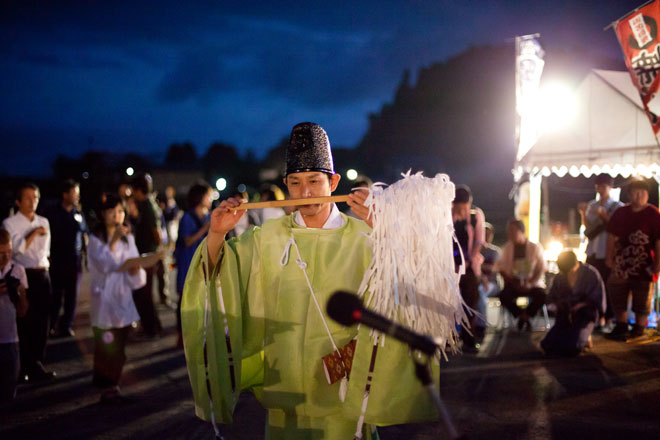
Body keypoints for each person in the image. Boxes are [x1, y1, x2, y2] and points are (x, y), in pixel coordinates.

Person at [182, 122, 438, 439]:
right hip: (284, 394)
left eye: (315, 181)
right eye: (296, 182)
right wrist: (217, 233)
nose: (305, 193)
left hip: (343, 394)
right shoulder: (266, 239)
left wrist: (385, 233)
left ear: (333, 181)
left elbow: (408, 292)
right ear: (286, 184)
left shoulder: (363, 239)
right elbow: (219, 275)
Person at [87, 194, 160, 403]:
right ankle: (105, 384)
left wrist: (136, 268)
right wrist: (114, 240)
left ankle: (112, 385)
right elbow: (103, 265)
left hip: (122, 297)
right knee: (105, 344)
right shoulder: (95, 239)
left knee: (118, 345)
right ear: (103, 214)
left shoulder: (129, 239)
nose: (117, 215)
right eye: (112, 211)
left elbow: (135, 275)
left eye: (120, 211)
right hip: (103, 298)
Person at [2, 182, 56, 382]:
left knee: (43, 321)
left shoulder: (43, 221)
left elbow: (45, 251)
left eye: (35, 198)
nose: (32, 201)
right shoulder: (10, 224)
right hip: (23, 275)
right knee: (25, 321)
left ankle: (37, 363)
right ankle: (22, 366)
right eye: (27, 198)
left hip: (42, 273)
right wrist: (33, 234)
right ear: (18, 201)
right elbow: (17, 251)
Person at [605, 178, 660, 340]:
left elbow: (658, 241)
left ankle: (639, 327)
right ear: (629, 194)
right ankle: (621, 325)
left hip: (644, 263)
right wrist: (609, 257)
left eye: (643, 192)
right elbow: (611, 237)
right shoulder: (621, 212)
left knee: (642, 295)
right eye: (636, 192)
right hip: (621, 262)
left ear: (648, 194)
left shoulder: (654, 214)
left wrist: (658, 263)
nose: (639, 195)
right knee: (616, 290)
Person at [540, 250, 606, 356]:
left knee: (573, 346)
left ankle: (584, 338)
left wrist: (581, 305)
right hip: (565, 315)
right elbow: (552, 298)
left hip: (584, 315)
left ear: (576, 264)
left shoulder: (591, 274)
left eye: (570, 271)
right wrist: (559, 306)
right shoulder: (560, 277)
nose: (568, 274)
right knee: (548, 345)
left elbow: (597, 299)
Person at [578, 174, 622, 328]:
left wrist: (605, 216)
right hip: (592, 251)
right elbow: (587, 227)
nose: (600, 190)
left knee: (608, 285)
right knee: (592, 285)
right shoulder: (592, 205)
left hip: (607, 252)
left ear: (610, 187)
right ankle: (595, 317)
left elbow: (617, 228)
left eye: (603, 187)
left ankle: (609, 318)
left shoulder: (617, 206)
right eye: (598, 187)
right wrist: (583, 213)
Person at [45, 179, 87, 338]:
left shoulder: (78, 213)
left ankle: (67, 325)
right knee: (56, 294)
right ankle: (51, 324)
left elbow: (84, 235)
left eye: (78, 193)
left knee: (72, 295)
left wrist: (86, 254)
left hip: (75, 259)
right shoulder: (53, 213)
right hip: (58, 258)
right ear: (65, 194)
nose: (77, 196)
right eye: (74, 193)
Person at [174, 182, 212, 347]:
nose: (211, 199)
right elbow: (188, 240)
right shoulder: (187, 218)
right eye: (208, 195)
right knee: (185, 301)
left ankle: (200, 334)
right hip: (188, 263)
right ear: (200, 197)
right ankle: (182, 335)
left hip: (203, 265)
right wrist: (205, 228)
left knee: (202, 300)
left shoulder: (208, 216)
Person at [452, 184, 486, 351]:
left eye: (466, 206)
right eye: (460, 207)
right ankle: (448, 337)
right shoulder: (446, 215)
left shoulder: (476, 216)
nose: (464, 210)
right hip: (449, 268)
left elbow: (479, 241)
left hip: (469, 266)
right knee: (448, 302)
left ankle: (468, 337)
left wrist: (469, 261)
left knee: (470, 302)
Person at [497, 219, 547, 331]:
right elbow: (502, 269)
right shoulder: (507, 248)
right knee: (504, 296)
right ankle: (522, 316)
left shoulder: (535, 247)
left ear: (521, 231)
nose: (509, 233)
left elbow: (541, 267)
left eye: (512, 230)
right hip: (513, 283)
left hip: (532, 283)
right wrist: (514, 283)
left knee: (542, 295)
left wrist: (531, 283)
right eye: (508, 231)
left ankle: (526, 315)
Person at [130, 173, 163, 338]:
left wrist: (158, 251)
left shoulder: (147, 206)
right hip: (145, 254)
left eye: (133, 190)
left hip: (148, 255)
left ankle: (152, 329)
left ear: (138, 190)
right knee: (143, 293)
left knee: (144, 293)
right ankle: (153, 326)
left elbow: (155, 230)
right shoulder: (145, 204)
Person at [0, 229, 29, 403]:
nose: (6, 257)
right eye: (1, 253)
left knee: (9, 390)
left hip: (11, 338)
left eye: (9, 252)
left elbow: (23, 311)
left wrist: (20, 294)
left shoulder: (18, 270)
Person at [476, 223, 502, 329]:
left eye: (489, 234)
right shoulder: (475, 250)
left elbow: (494, 268)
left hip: (492, 284)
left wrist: (478, 265)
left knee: (480, 291)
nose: (487, 237)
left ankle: (481, 325)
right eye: (484, 234)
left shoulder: (495, 252)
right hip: (479, 281)